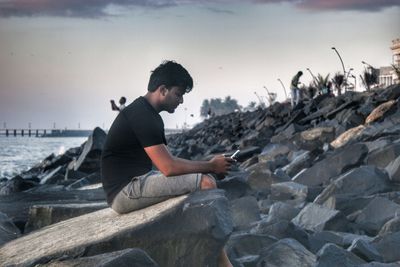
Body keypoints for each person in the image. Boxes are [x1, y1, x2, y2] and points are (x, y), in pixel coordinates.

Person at [101, 60, 234, 267]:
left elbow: (169, 162)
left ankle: (201, 255)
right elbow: (169, 168)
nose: (180, 101)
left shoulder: (146, 113)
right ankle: (224, 265)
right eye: (178, 94)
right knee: (206, 182)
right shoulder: (142, 115)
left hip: (135, 183)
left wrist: (211, 164)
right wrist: (211, 166)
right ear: (162, 90)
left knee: (199, 181)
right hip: (125, 191)